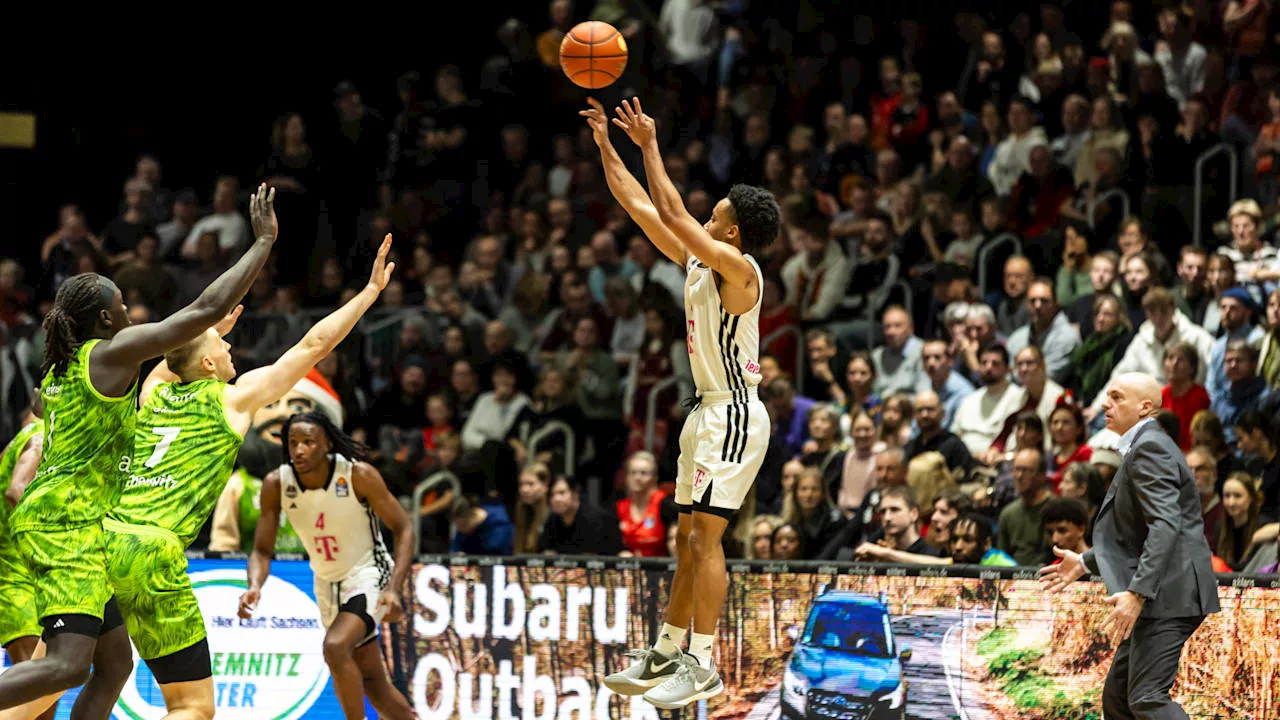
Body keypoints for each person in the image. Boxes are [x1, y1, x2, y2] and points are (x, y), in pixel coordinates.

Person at [90, 234, 396, 720]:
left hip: (100, 541)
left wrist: (206, 325)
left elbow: (177, 352)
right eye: (221, 342)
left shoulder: (154, 391)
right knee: (192, 707)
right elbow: (315, 344)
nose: (230, 343)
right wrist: (370, 292)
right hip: (151, 550)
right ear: (209, 364)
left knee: (54, 673)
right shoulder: (232, 400)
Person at [0, 185, 278, 717]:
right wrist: (262, 242)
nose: (129, 313)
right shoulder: (108, 353)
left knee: (114, 667)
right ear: (105, 321)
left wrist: (205, 335)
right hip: (68, 521)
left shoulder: (63, 368)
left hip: (74, 518)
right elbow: (206, 305)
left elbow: (40, 406)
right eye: (122, 306)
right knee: (67, 666)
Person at [585, 97, 780, 708]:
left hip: (736, 412)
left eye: (713, 213)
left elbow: (669, 207)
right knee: (684, 538)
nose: (702, 215)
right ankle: (668, 648)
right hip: (706, 413)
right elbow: (642, 207)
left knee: (705, 542)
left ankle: (702, 661)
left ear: (731, 230)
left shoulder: (740, 269)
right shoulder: (700, 260)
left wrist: (650, 144)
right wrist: (606, 148)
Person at [1041, 372, 1220, 720]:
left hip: (1170, 592)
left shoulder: (1150, 447)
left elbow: (1166, 526)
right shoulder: (1143, 446)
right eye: (1107, 396)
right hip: (1166, 590)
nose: (1106, 404)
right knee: (1119, 701)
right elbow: (1138, 534)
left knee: (1146, 699)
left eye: (1117, 397)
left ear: (1145, 407)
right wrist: (1085, 562)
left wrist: (1136, 593)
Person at [237, 412, 415, 720]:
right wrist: (254, 586)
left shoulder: (358, 475)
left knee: (334, 646)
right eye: (293, 443)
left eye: (308, 442)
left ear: (327, 444)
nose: (299, 450)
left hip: (368, 571)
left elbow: (404, 528)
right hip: (325, 582)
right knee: (374, 685)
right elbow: (262, 550)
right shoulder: (277, 483)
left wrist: (394, 589)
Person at [0, 399, 57, 720]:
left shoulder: (24, 436)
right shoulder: (41, 436)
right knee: (33, 695)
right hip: (17, 579)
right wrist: (46, 549)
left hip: (19, 577)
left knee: (43, 695)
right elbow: (16, 491)